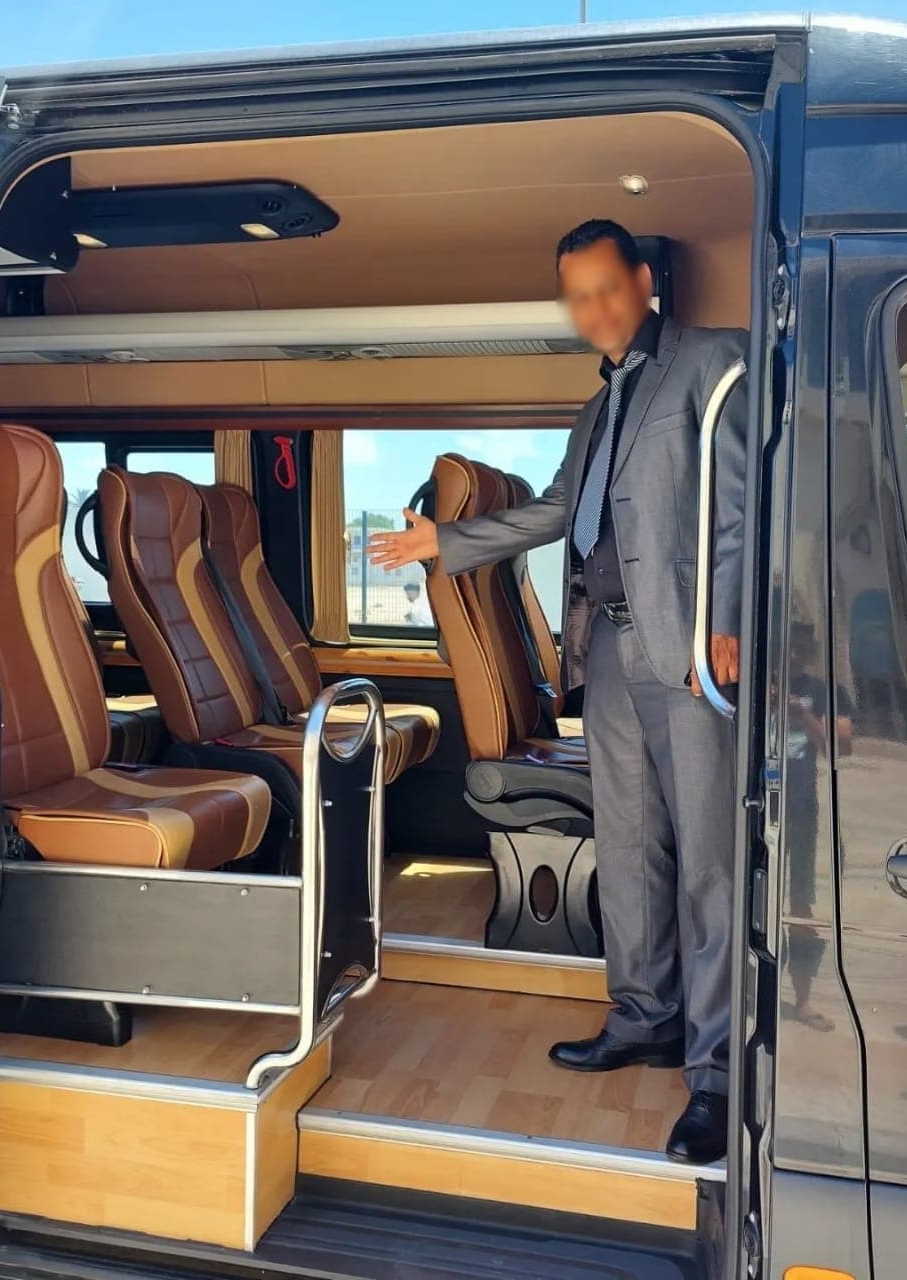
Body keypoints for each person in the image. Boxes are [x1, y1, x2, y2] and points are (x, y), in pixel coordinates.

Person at [368, 218, 748, 1164]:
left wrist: (729, 619)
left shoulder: (715, 363)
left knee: (708, 861)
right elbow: (551, 513)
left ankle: (715, 1074)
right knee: (628, 846)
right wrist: (445, 543)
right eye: (578, 297)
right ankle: (644, 1016)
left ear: (644, 280)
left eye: (606, 288)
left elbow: (741, 505)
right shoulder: (594, 410)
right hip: (609, 649)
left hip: (689, 647)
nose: (595, 310)